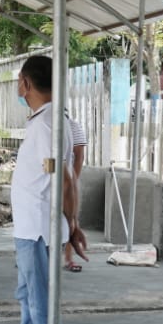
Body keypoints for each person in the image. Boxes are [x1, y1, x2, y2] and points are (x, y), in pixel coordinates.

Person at [0, 55, 87, 324]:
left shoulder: (47, 125)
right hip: (33, 227)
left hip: (38, 229)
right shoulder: (45, 120)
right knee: (29, 299)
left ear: (26, 83)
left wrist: (71, 224)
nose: (17, 87)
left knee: (41, 305)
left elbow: (66, 177)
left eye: (18, 81)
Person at [62, 113, 87, 273]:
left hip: (67, 177)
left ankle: (68, 258)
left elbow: (79, 156)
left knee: (70, 218)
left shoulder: (73, 126)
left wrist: (73, 180)